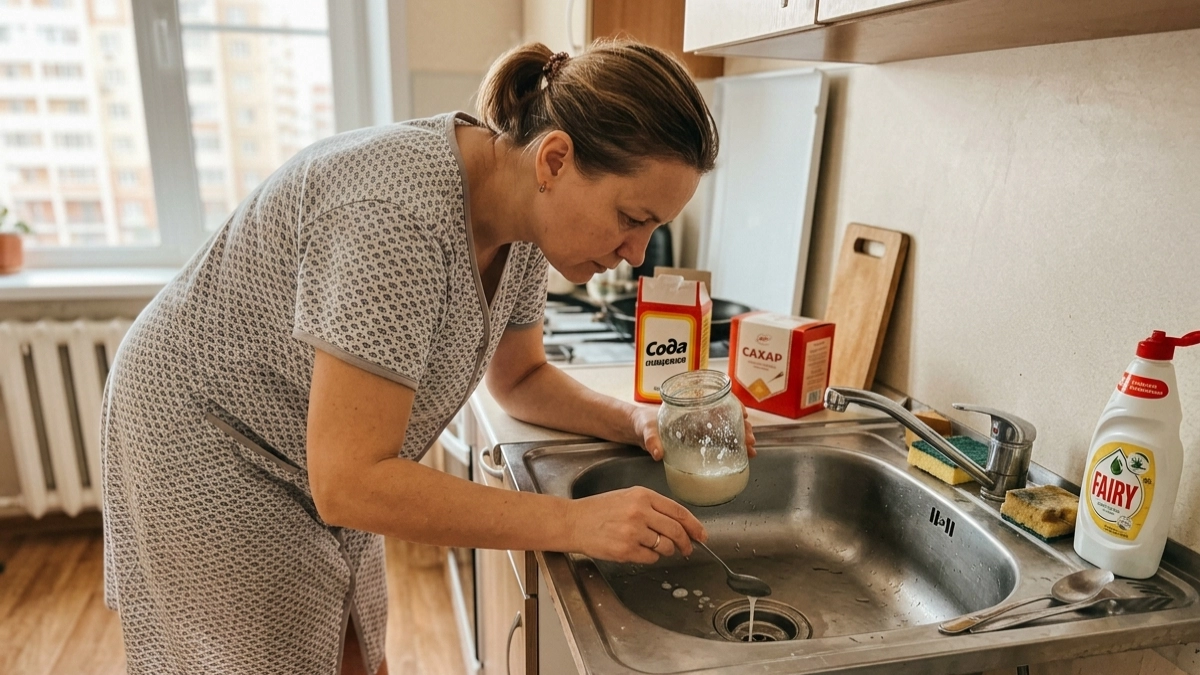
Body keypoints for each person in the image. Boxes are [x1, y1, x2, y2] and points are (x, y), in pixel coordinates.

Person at [100, 39, 753, 675]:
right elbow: (351, 481)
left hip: (308, 447)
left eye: (652, 230)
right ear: (554, 160)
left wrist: (635, 420)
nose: (637, 253)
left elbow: (521, 378)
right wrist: (575, 522)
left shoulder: (522, 218)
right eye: (630, 217)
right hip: (202, 435)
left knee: (354, 642)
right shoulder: (396, 212)